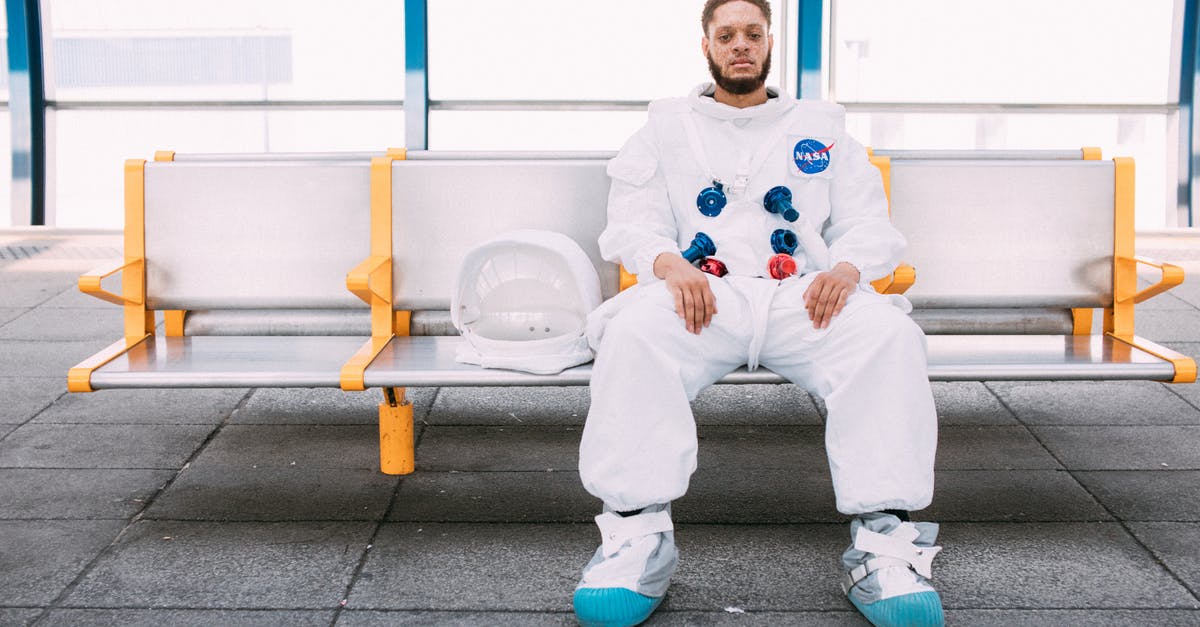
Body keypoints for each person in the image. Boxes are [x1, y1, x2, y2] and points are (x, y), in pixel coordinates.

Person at [571, 1, 943, 626]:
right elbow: (633, 222)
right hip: (702, 296)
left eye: (752, 34)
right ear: (706, 46)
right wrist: (669, 265)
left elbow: (865, 221)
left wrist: (848, 268)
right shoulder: (663, 127)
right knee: (635, 334)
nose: (739, 45)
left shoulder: (823, 126)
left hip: (802, 296)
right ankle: (637, 535)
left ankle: (883, 540)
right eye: (726, 35)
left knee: (886, 335)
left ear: (769, 42)